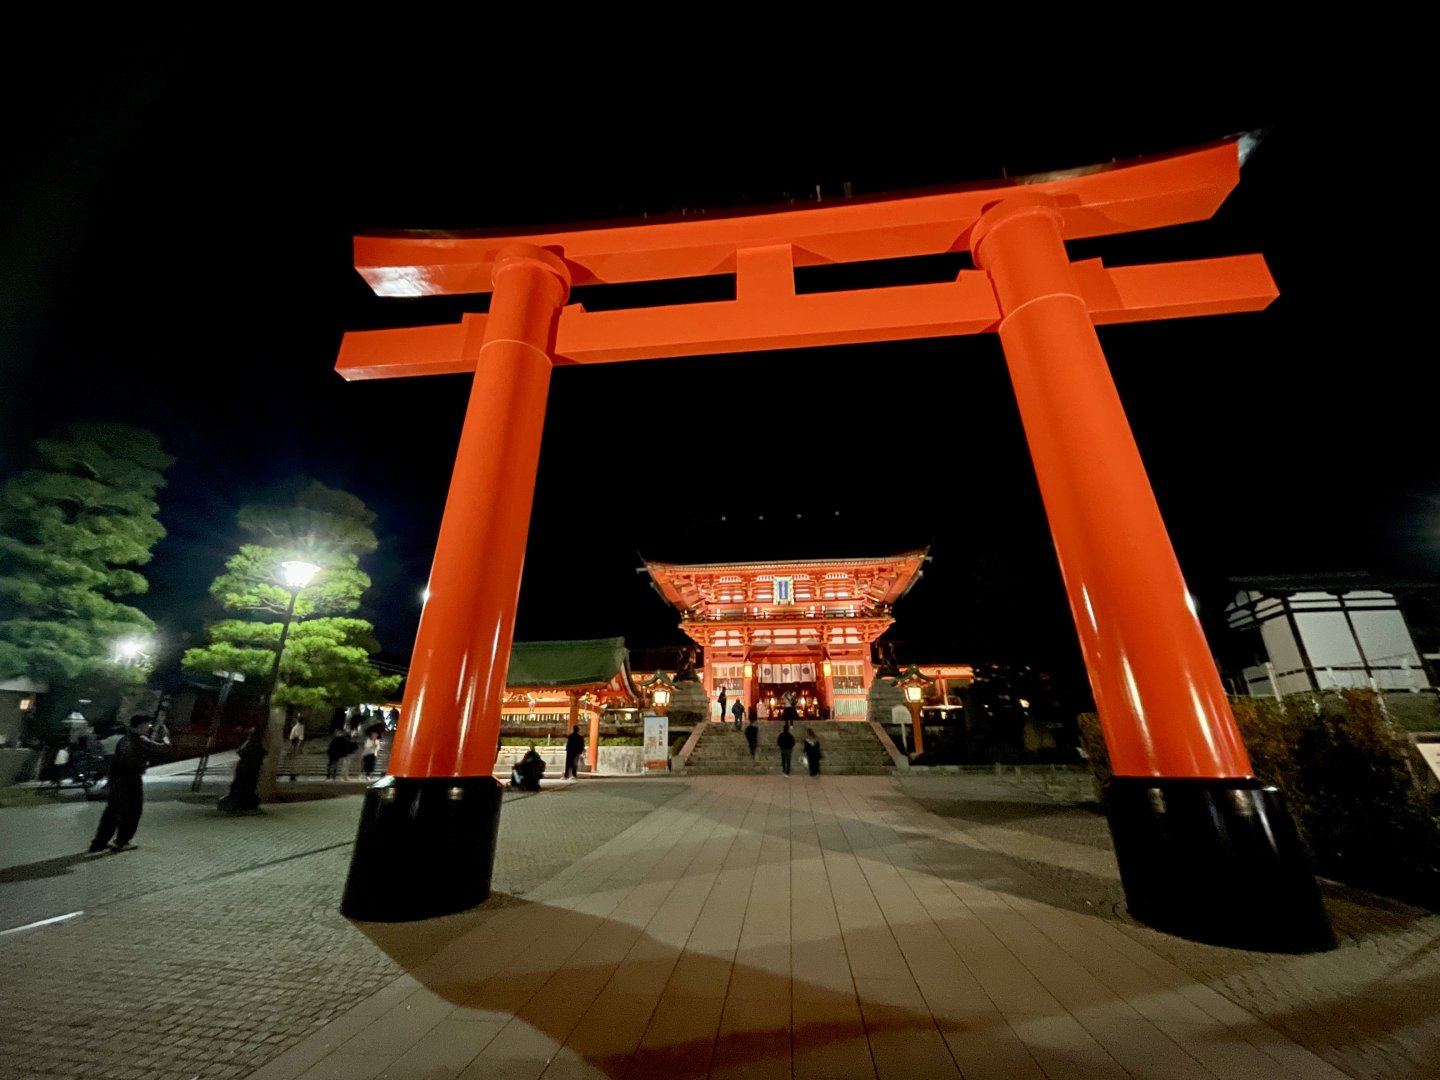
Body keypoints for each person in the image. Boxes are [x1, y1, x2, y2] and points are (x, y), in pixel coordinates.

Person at [88, 714, 169, 853]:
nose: (149, 728)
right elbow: (164, 749)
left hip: (117, 778)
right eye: (148, 725)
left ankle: (99, 842)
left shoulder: (126, 739)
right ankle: (122, 841)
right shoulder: (140, 740)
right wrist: (166, 736)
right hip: (130, 779)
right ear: (141, 725)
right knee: (132, 811)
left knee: (112, 811)